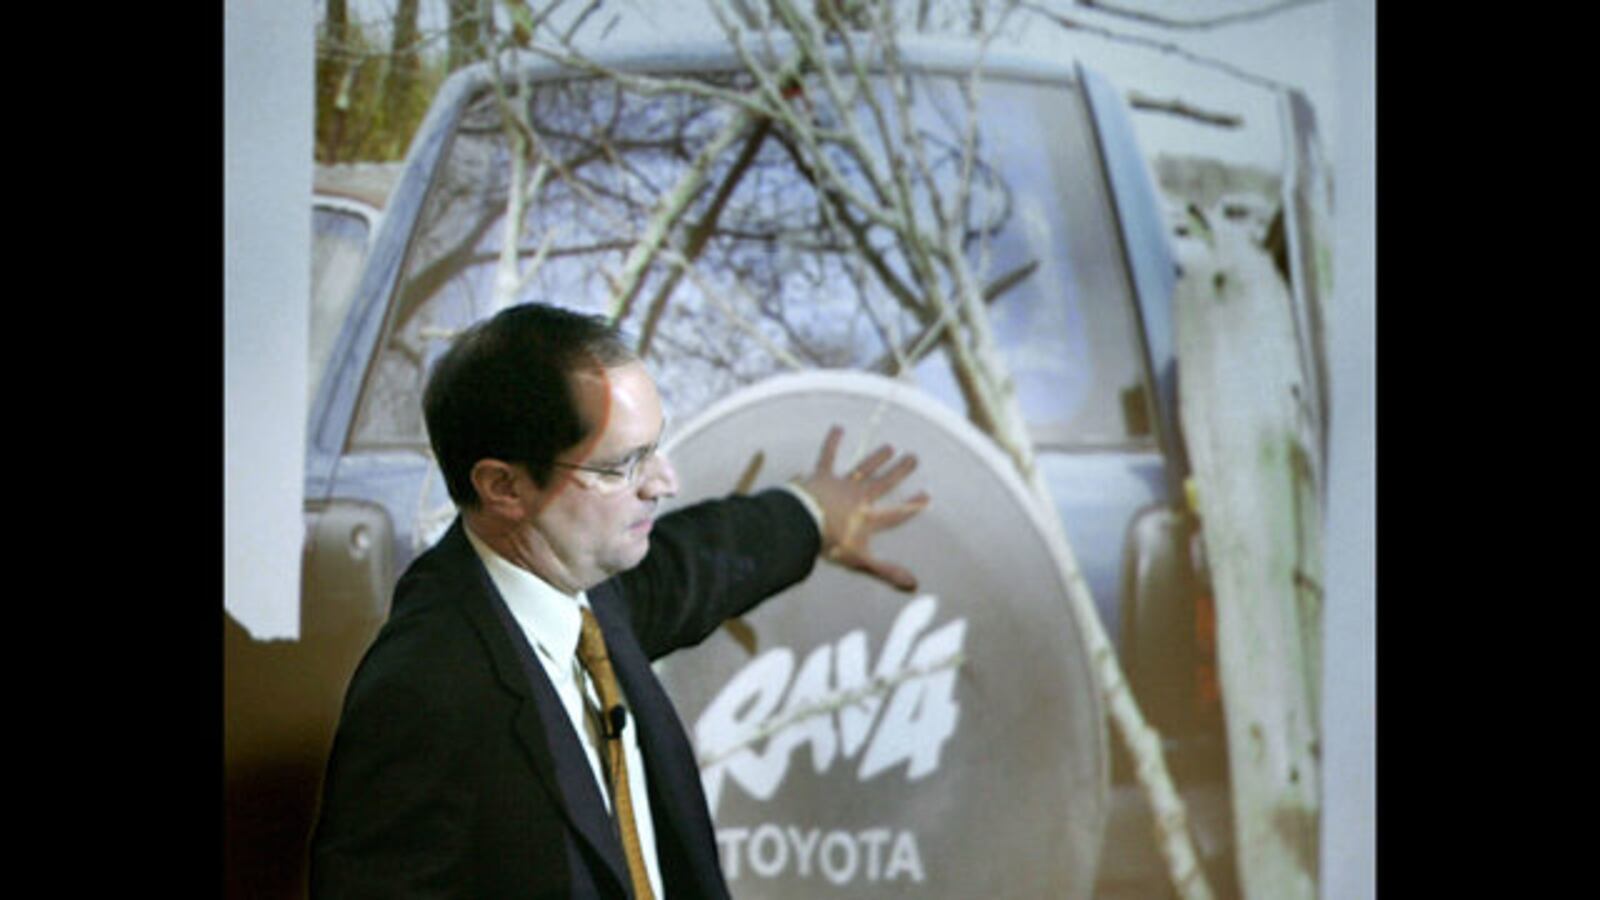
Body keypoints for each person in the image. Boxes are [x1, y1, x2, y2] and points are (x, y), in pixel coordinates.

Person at [309, 302, 929, 898]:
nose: (664, 482)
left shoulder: (589, 589)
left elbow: (700, 562)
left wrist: (815, 512)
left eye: (654, 448)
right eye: (621, 467)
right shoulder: (421, 689)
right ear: (503, 486)